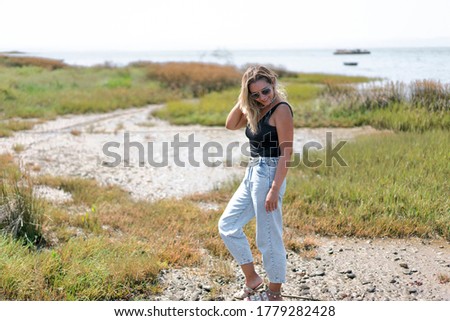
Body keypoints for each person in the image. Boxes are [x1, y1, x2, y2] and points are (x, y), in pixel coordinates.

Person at [218, 65, 294, 301]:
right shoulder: (256, 108)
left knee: (268, 236)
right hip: (252, 171)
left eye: (266, 91)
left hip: (270, 173)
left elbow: (286, 153)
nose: (262, 97)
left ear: (273, 83)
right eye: (256, 94)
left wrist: (273, 189)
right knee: (228, 225)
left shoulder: (281, 110)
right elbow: (230, 124)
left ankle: (274, 293)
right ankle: (252, 278)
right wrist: (245, 99)